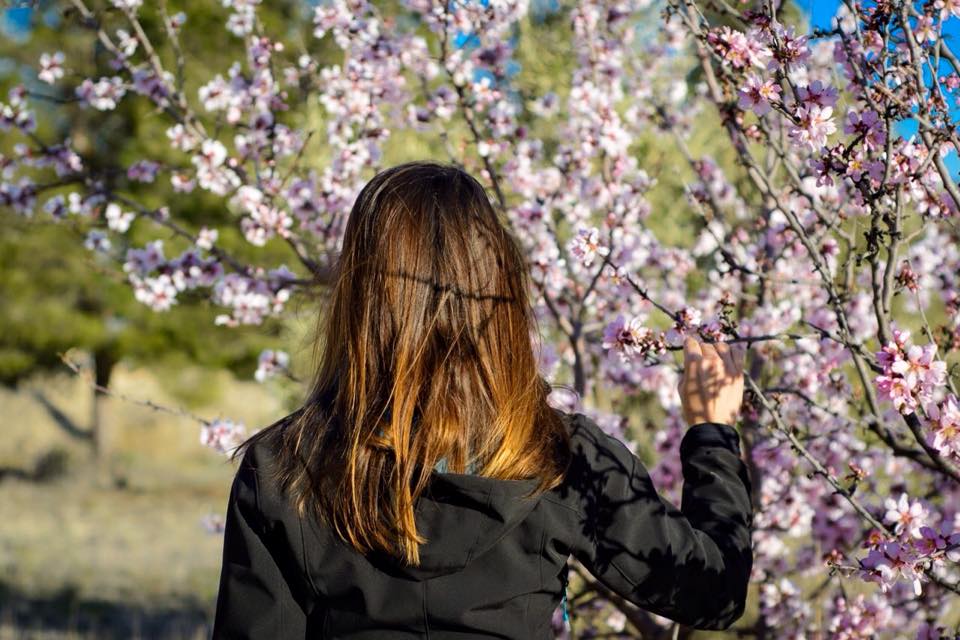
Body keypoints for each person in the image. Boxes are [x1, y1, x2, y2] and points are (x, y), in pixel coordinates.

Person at [210, 160, 753, 639]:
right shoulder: (556, 455)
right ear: (499, 292)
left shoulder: (285, 466)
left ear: (360, 297)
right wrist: (712, 435)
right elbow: (714, 593)